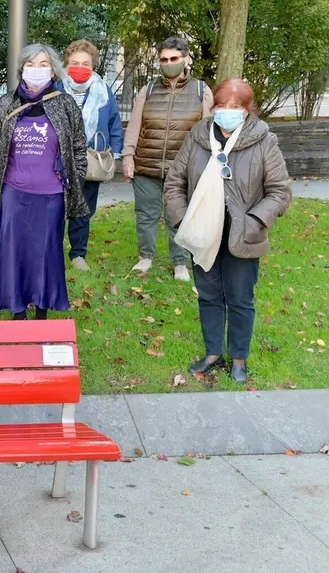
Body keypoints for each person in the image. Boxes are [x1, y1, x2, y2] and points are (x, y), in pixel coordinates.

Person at [164, 79, 291, 383]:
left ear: (247, 110)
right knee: (208, 295)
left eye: (235, 107)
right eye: (221, 106)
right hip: (203, 231)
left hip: (242, 236)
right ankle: (212, 353)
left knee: (239, 299)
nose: (227, 112)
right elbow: (173, 184)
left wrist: (253, 223)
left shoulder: (264, 141)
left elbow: (279, 192)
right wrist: (183, 220)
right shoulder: (197, 138)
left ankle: (238, 358)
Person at [0, 44, 89, 320]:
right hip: (14, 192)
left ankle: (42, 309)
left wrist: (75, 181)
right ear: (22, 69)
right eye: (31, 64)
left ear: (53, 70)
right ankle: (17, 309)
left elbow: (78, 147)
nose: (37, 70)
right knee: (15, 252)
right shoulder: (6, 104)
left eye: (43, 65)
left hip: (51, 194)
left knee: (45, 253)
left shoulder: (65, 105)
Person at [122, 37, 214, 281]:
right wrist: (128, 157)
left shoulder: (201, 90)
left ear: (186, 59)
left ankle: (181, 263)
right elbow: (134, 127)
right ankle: (145, 257)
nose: (169, 63)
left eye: (174, 58)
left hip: (182, 170)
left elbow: (207, 132)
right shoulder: (148, 90)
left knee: (178, 217)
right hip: (147, 166)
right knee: (146, 215)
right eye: (164, 59)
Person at [62, 39, 123, 271]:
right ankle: (52, 252)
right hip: (59, 160)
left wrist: (115, 150)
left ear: (93, 65)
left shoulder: (103, 91)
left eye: (85, 63)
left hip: (90, 159)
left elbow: (113, 121)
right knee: (56, 207)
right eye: (75, 62)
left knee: (83, 208)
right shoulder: (56, 89)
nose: (80, 67)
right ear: (66, 64)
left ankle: (78, 254)